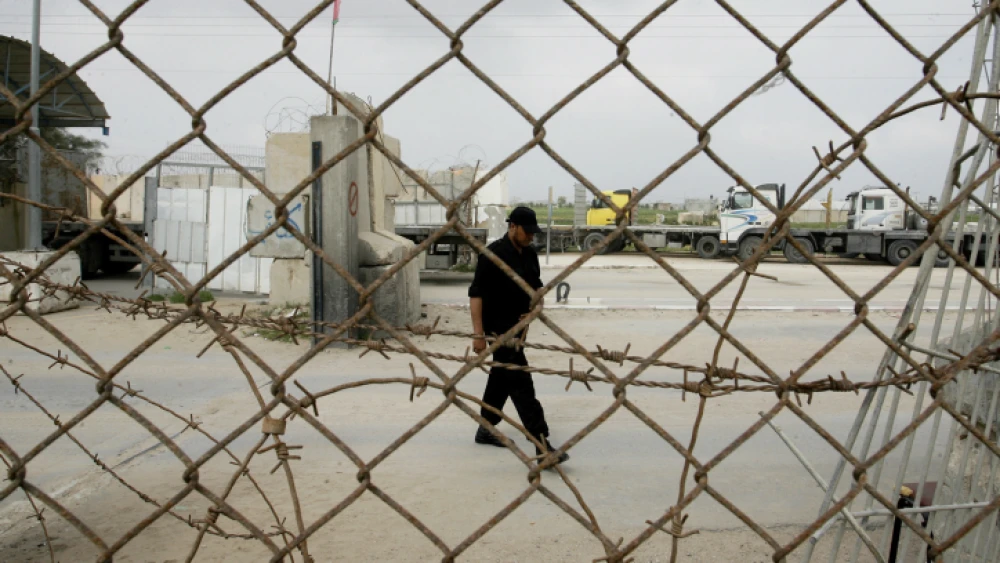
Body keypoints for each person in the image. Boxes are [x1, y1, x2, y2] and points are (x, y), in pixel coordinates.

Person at [467, 206, 569, 464]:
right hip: (499, 330)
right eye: (527, 231)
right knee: (522, 385)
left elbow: (537, 290)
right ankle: (541, 445)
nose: (531, 236)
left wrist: (535, 311)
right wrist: (478, 335)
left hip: (520, 329)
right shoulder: (492, 254)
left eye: (534, 232)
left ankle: (485, 427)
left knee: (502, 378)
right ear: (512, 226)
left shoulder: (530, 254)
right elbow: (476, 294)